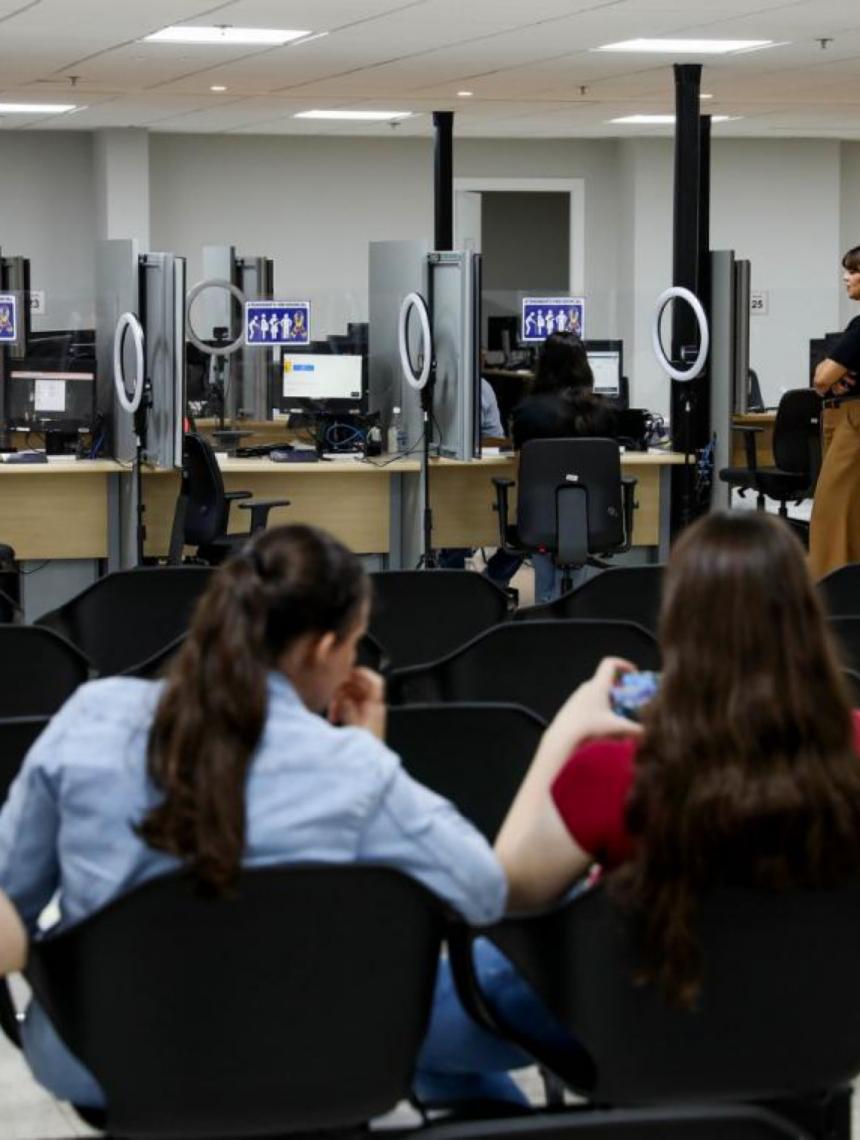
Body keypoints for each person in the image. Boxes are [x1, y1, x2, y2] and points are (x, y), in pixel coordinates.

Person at [0, 524, 505, 1108]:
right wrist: (368, 752)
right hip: (303, 1051)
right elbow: (484, 891)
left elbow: (14, 897)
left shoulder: (88, 719)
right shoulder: (354, 770)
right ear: (322, 650)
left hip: (107, 1059)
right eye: (353, 645)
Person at [416, 510, 860, 1105]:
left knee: (409, 1015)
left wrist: (561, 737)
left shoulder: (612, 770)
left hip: (634, 1021)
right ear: (806, 621)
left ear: (676, 625)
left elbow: (507, 899)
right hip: (816, 1029)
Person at [485, 332, 616, 603]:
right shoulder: (602, 412)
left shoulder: (527, 413)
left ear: (543, 365)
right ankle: (569, 613)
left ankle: (549, 615)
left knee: (543, 525)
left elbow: (524, 473)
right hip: (593, 520)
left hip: (540, 521)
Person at [809, 245, 860, 578]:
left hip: (854, 424)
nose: (847, 277)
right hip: (847, 419)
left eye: (854, 271)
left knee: (832, 511)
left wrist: (831, 377)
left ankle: (830, 589)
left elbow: (823, 377)